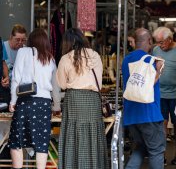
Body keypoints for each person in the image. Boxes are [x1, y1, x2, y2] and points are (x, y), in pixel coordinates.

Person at [8, 28, 61, 169]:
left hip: (26, 101)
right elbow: (55, 86)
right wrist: (56, 106)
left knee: (17, 141)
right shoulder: (50, 58)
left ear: (31, 40)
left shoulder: (23, 52)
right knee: (41, 143)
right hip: (44, 104)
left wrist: (13, 101)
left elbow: (16, 79)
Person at [56, 28, 108, 169]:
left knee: (73, 133)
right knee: (93, 133)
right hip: (92, 99)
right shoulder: (95, 55)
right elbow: (99, 80)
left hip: (74, 99)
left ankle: (73, 165)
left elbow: (61, 83)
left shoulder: (66, 58)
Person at [122, 28, 166, 169]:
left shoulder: (126, 60)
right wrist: (159, 70)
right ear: (149, 41)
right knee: (156, 151)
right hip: (149, 114)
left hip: (131, 114)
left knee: (140, 147)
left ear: (134, 42)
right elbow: (149, 84)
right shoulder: (151, 61)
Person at [152, 27, 176, 165]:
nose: (159, 45)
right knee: (161, 123)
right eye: (158, 42)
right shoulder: (156, 50)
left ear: (169, 39)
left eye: (162, 42)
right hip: (160, 93)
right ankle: (161, 154)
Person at [1, 24, 27, 108]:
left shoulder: (26, 50)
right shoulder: (2, 47)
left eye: (23, 40)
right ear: (11, 37)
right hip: (4, 90)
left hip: (20, 91)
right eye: (17, 40)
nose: (20, 42)